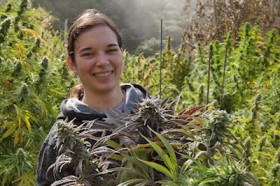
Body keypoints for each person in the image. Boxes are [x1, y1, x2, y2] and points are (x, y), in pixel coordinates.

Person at [35, 9, 149, 186]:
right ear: (72, 63)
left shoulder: (156, 118)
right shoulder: (59, 140)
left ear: (122, 53)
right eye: (88, 54)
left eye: (111, 50)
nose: (102, 61)